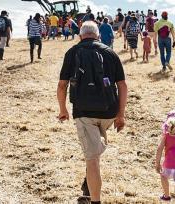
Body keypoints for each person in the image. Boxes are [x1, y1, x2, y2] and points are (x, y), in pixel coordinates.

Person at [57, 21, 128, 204]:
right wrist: (121, 114)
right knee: (94, 151)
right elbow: (122, 85)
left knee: (92, 158)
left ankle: (93, 200)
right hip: (109, 112)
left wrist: (63, 109)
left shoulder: (72, 52)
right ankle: (88, 185)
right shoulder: (110, 52)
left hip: (84, 112)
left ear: (81, 36)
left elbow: (62, 84)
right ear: (98, 35)